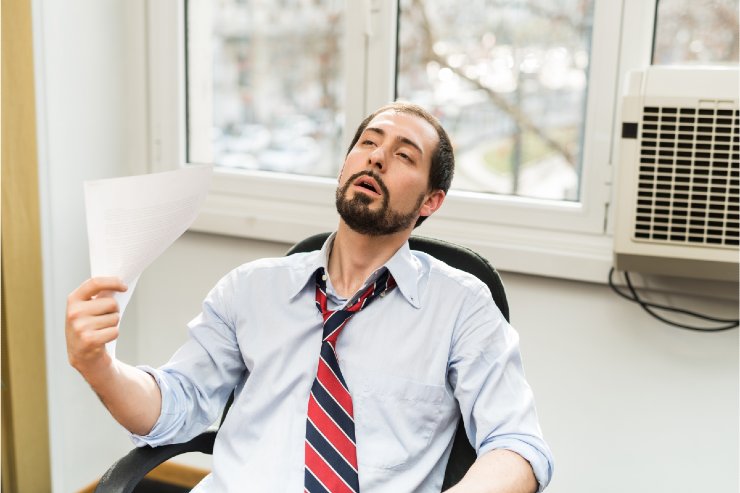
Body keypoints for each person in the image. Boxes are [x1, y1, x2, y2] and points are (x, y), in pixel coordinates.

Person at [66, 102, 554, 492]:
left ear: (431, 201)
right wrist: (99, 367)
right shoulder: (250, 288)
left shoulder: (461, 307)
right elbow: (175, 406)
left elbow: (517, 445)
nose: (377, 157)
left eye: (404, 155)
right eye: (367, 143)